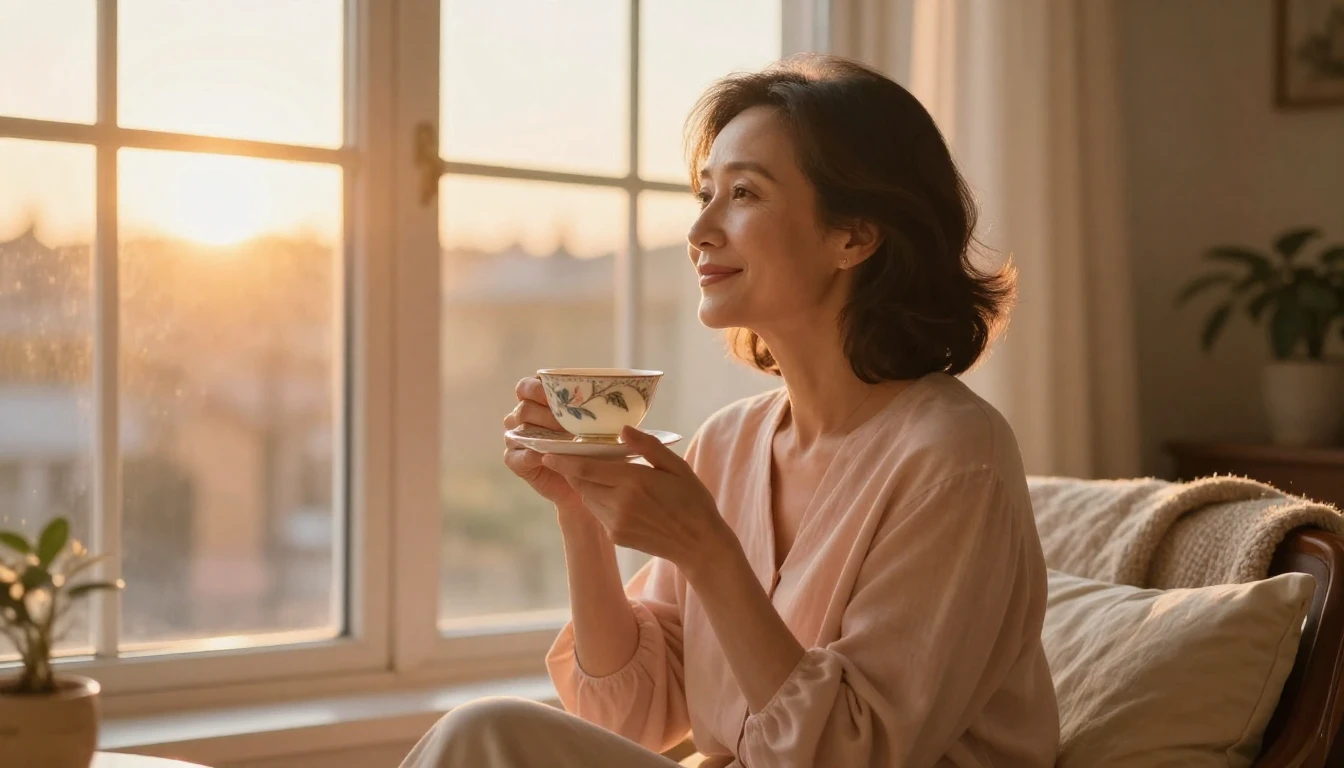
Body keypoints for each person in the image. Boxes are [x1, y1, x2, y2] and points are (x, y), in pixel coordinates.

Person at [401, 53, 1060, 768]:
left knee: (483, 736)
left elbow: (851, 754)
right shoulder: (730, 443)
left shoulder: (955, 459)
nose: (701, 231)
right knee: (486, 734)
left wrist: (708, 551)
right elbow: (634, 716)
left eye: (743, 194)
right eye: (704, 194)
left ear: (854, 236)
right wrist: (580, 508)